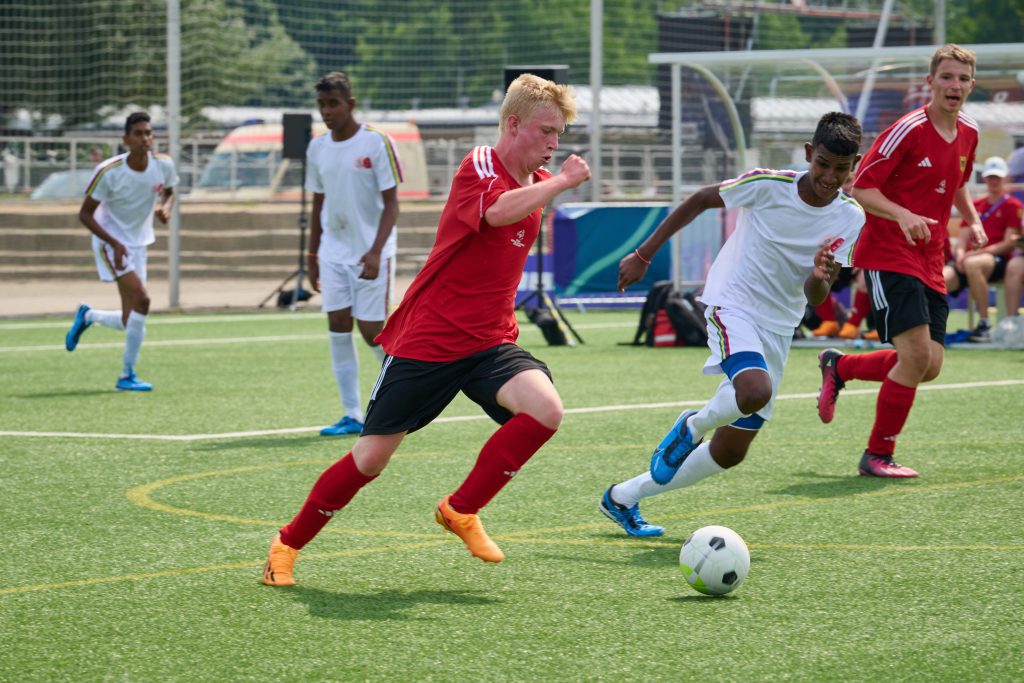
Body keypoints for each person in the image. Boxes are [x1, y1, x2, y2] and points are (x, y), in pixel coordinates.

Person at [263, 74, 591, 585]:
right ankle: (286, 544)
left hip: (489, 342)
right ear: (513, 124)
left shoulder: (535, 181)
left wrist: (548, 182)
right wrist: (562, 182)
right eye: (547, 130)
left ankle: (460, 509)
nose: (555, 143)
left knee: (546, 409)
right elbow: (497, 213)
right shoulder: (482, 163)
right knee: (370, 459)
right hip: (431, 340)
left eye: (560, 134)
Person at [599, 112, 864, 537]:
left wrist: (818, 276)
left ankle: (623, 497)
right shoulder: (769, 184)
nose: (830, 176)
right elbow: (701, 199)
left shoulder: (851, 218)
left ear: (855, 165)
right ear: (809, 154)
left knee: (731, 451)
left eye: (841, 168)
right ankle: (692, 426)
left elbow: (817, 296)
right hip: (733, 303)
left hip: (780, 327)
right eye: (824, 164)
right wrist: (644, 254)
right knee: (753, 391)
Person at [818, 44, 986, 478]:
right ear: (929, 83)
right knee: (913, 357)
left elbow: (959, 182)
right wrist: (905, 215)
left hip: (931, 258)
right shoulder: (907, 129)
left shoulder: (969, 131)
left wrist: (971, 219)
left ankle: (841, 366)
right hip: (888, 253)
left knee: (929, 365)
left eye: (963, 79)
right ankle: (877, 455)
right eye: (946, 77)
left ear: (972, 84)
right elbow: (860, 187)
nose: (955, 86)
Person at [305, 72, 402, 436]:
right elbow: (317, 203)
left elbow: (392, 205)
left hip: (371, 252)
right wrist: (311, 255)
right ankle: (352, 414)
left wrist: (376, 252)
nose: (327, 111)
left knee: (372, 329)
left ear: (351, 104)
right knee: (338, 326)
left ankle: (403, 389)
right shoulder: (317, 147)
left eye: (333, 104)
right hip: (333, 252)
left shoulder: (377, 143)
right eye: (321, 105)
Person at [64, 112, 177, 391]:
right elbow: (85, 215)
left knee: (131, 318)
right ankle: (127, 376)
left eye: (148, 133)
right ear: (126, 139)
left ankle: (88, 316)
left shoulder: (163, 164)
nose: (145, 138)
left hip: (139, 243)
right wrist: (114, 243)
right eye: (138, 134)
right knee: (143, 300)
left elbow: (170, 191)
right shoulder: (108, 171)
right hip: (110, 243)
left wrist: (166, 208)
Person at [942, 156, 1022, 342]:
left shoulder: (1013, 205)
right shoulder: (975, 205)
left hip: (995, 260)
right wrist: (960, 254)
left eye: (998, 177)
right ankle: (930, 327)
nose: (994, 181)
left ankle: (984, 323)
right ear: (984, 178)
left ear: (1005, 179)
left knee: (973, 264)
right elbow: (962, 237)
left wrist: (975, 254)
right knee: (939, 278)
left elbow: (1008, 243)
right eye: (990, 177)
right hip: (967, 259)